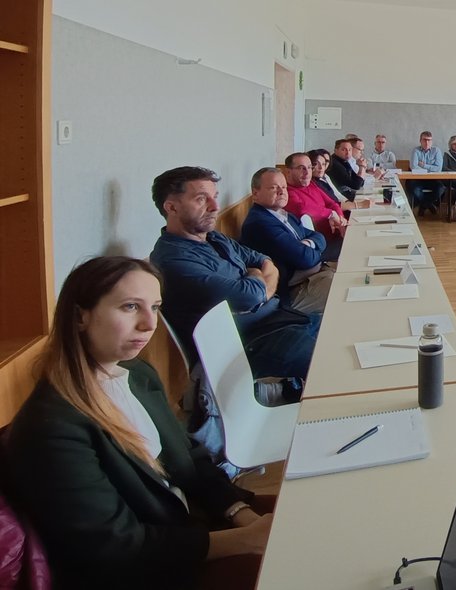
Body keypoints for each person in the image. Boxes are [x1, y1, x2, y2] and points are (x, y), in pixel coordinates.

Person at [5, 256, 275, 590]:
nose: (149, 324)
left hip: (193, 528)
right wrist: (244, 540)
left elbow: (189, 458)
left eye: (155, 307)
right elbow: (113, 547)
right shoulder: (51, 428)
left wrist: (240, 513)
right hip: (154, 569)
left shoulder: (138, 375)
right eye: (130, 307)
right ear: (79, 317)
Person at [149, 166, 320, 381]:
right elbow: (251, 296)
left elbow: (264, 260)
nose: (215, 206)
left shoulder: (213, 237)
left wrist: (256, 277)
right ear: (171, 207)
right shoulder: (173, 260)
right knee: (334, 366)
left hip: (280, 319)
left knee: (345, 331)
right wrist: (257, 279)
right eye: (201, 199)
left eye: (215, 197)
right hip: (250, 344)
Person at [240, 167, 334, 314]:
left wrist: (308, 243)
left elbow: (318, 236)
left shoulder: (282, 214)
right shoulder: (260, 223)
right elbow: (305, 259)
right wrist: (317, 252)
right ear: (255, 194)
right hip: (292, 292)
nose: (281, 191)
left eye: (283, 187)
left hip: (313, 274)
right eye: (273, 188)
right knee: (343, 291)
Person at [283, 152, 347, 254]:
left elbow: (332, 203)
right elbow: (301, 208)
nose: (307, 173)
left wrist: (340, 217)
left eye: (309, 167)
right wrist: (330, 214)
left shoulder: (311, 184)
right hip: (321, 246)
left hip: (335, 235)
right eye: (301, 168)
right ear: (288, 171)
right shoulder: (286, 192)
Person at [409, 131, 445, 216]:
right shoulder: (416, 150)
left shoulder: (436, 151)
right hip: (417, 179)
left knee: (441, 188)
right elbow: (413, 167)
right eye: (424, 140)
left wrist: (424, 165)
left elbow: (438, 168)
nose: (427, 142)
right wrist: (430, 169)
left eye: (429, 140)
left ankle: (424, 205)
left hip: (433, 179)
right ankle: (429, 204)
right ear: (420, 141)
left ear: (432, 141)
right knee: (414, 190)